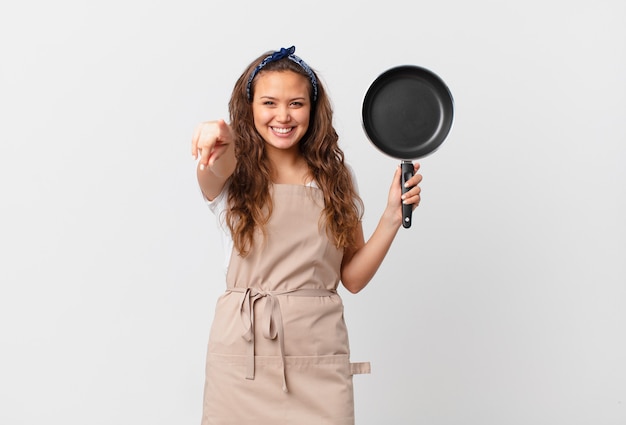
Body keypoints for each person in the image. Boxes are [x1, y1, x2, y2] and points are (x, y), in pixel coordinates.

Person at [191, 46, 422, 425]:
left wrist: (392, 216)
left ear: (313, 109)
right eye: (269, 102)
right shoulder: (234, 168)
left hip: (317, 353)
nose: (283, 116)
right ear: (249, 107)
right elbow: (211, 173)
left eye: (296, 103)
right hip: (242, 360)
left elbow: (353, 278)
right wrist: (214, 136)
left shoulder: (334, 179)